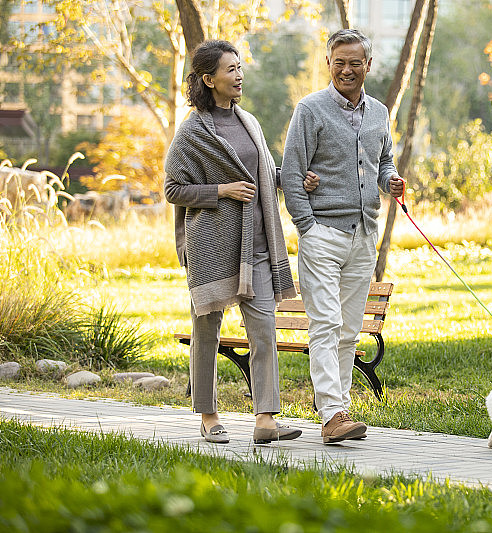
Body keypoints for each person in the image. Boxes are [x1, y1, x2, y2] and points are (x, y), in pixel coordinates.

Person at [164, 39, 318, 444]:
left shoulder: (249, 121)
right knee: (207, 331)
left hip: (257, 246)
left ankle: (265, 420)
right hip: (212, 247)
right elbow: (173, 189)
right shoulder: (193, 130)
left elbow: (262, 175)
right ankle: (208, 414)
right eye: (230, 69)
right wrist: (221, 191)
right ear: (208, 78)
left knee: (264, 329)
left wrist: (293, 178)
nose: (238, 74)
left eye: (239, 67)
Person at [281, 29, 405, 444]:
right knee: (325, 324)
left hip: (364, 234)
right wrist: (307, 226)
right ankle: (331, 413)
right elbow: (293, 172)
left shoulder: (379, 113)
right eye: (339, 62)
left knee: (350, 330)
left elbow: (384, 158)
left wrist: (390, 180)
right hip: (323, 233)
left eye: (355, 63)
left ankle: (341, 411)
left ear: (368, 65)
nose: (347, 70)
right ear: (329, 64)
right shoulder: (310, 110)